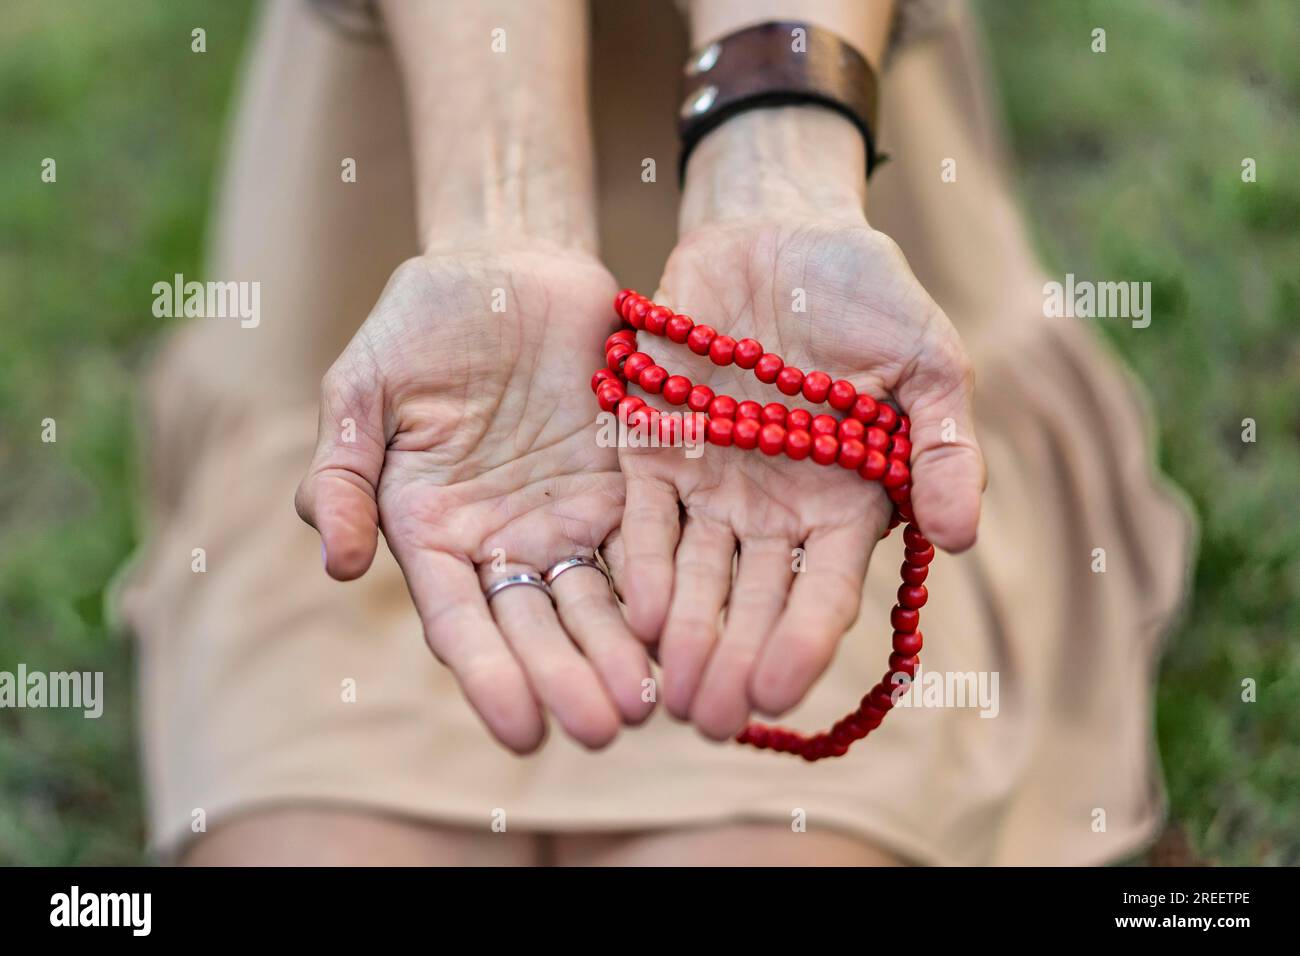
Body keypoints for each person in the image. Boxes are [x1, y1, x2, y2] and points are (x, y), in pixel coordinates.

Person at [121, 0, 1192, 865]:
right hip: (407, 159)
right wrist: (501, 225)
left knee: (764, 844)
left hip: (817, 128)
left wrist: (774, 166)